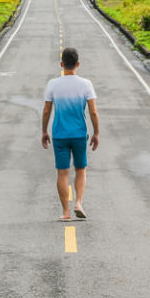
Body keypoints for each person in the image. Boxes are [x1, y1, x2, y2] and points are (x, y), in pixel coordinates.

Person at [41, 47, 99, 221]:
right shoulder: (86, 84)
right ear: (78, 64)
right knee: (81, 170)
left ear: (61, 64)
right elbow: (93, 112)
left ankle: (66, 212)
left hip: (59, 134)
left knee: (62, 173)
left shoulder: (53, 84)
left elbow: (46, 111)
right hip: (79, 134)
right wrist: (96, 133)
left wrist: (44, 131)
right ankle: (78, 203)